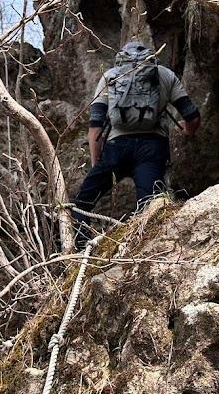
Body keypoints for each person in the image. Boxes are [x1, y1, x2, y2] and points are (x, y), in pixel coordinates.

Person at [72, 41, 202, 245]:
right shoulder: (164, 74)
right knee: (151, 209)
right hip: (152, 148)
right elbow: (192, 115)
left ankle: (80, 251)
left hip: (116, 148)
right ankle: (145, 252)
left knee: (81, 204)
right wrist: (187, 130)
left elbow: (95, 125)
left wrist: (97, 161)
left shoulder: (111, 76)